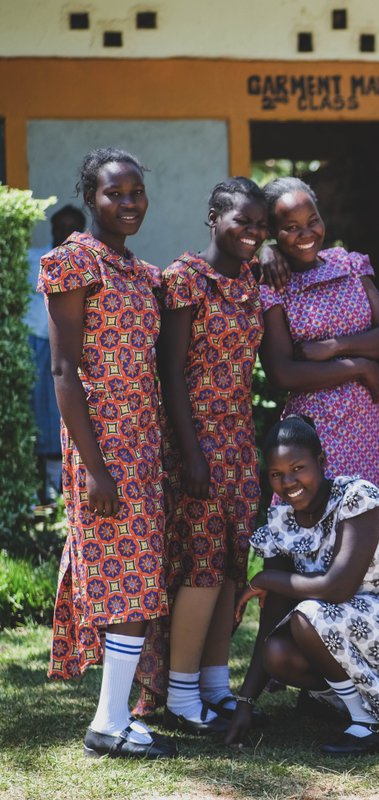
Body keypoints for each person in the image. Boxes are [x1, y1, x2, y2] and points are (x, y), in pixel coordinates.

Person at [42, 148, 175, 758]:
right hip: (102, 444)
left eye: (136, 193)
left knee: (141, 577)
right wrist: (94, 466)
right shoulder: (73, 263)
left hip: (144, 441)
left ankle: (114, 717)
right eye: (114, 194)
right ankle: (108, 723)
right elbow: (65, 370)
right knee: (124, 578)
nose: (128, 204)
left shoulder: (143, 274)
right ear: (91, 198)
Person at [224, 416, 379, 755]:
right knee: (277, 652)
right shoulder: (280, 527)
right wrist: (244, 701)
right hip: (354, 626)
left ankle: (365, 723)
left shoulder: (356, 497)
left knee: (307, 616)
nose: (288, 481)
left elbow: (337, 589)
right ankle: (367, 705)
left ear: (321, 461)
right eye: (276, 474)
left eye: (298, 467)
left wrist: (262, 578)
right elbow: (269, 622)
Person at [136, 178, 269, 735]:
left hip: (240, 441)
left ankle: (215, 685)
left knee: (233, 566)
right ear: (213, 217)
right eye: (242, 222)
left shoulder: (252, 277)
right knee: (201, 566)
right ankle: (182, 695)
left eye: (260, 226)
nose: (253, 234)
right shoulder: (185, 279)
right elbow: (169, 373)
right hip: (195, 443)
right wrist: (191, 454)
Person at [258, 177, 379, 509]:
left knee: (372, 525)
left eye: (312, 221)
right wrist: (360, 366)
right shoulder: (273, 286)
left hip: (367, 425)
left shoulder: (348, 264)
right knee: (322, 527)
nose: (306, 234)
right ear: (272, 232)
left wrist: (334, 347)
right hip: (315, 430)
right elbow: (283, 374)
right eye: (291, 226)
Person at [27, 204, 85, 501]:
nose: (65, 234)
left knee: (59, 412)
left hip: (65, 348)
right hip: (33, 343)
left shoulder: (85, 266)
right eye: (60, 228)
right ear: (52, 230)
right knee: (36, 412)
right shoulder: (34, 259)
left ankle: (55, 485)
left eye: (72, 228)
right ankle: (41, 486)